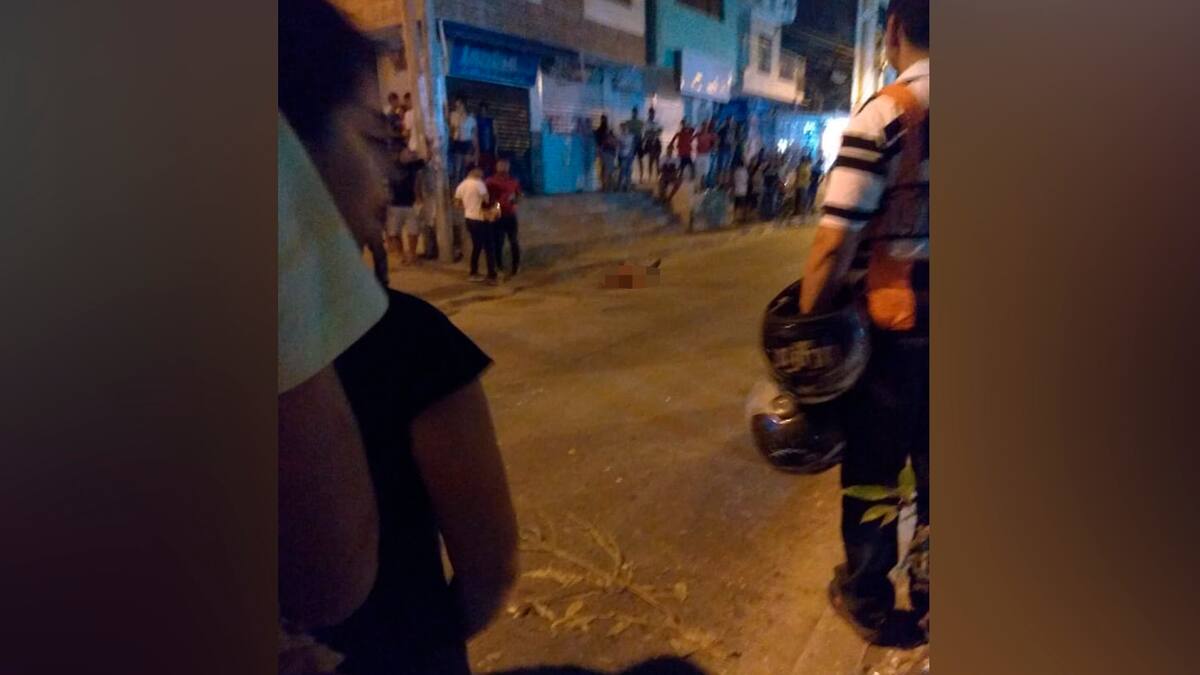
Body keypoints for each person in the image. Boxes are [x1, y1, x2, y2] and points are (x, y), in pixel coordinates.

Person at [281, 3, 519, 673]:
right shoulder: (409, 343)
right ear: (289, 156)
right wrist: (425, 641)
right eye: (374, 138)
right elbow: (490, 567)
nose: (386, 173)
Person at [796, 0, 929, 647]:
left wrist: (807, 328)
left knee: (875, 468)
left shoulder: (887, 115)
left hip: (896, 335)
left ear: (895, 29)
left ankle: (871, 598)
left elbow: (832, 245)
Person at [456, 165, 498, 284]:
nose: (482, 173)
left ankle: (473, 273)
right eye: (480, 171)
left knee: (477, 246)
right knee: (489, 247)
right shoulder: (479, 184)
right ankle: (491, 275)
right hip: (481, 219)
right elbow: (486, 200)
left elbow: (457, 204)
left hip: (469, 218)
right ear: (474, 171)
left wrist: (469, 207)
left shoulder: (461, 185)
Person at [385, 146, 427, 265]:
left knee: (414, 231)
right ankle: (401, 254)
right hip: (394, 204)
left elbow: (426, 158)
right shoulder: (392, 166)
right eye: (408, 153)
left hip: (410, 204)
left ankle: (412, 255)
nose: (410, 155)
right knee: (394, 232)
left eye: (411, 153)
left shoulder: (414, 165)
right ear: (400, 153)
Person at [486, 159, 522, 278]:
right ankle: (512, 266)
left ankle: (503, 265)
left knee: (501, 242)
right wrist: (513, 202)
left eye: (504, 167)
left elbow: (518, 196)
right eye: (502, 167)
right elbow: (518, 197)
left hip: (502, 214)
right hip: (505, 214)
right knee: (509, 241)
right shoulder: (512, 181)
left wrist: (513, 201)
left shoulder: (490, 181)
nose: (503, 169)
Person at [449, 98, 477, 184]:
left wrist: (475, 149)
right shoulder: (453, 116)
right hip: (457, 142)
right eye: (456, 106)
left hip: (467, 143)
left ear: (464, 106)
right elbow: (451, 130)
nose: (457, 108)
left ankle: (464, 185)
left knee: (465, 167)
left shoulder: (471, 118)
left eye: (459, 106)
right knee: (457, 167)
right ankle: (456, 185)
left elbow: (474, 134)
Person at [621, 107, 646, 182]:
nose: (634, 113)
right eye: (634, 112)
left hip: (638, 142)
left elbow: (644, 131)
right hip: (632, 142)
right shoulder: (629, 122)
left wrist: (643, 140)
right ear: (632, 112)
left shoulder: (640, 122)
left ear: (637, 113)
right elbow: (623, 126)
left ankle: (641, 177)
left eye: (635, 112)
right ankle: (629, 177)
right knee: (630, 160)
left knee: (640, 160)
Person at [595, 115, 617, 191]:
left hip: (606, 151)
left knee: (605, 169)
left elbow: (599, 142)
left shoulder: (601, 130)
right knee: (607, 169)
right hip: (607, 152)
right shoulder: (603, 130)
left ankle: (606, 185)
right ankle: (606, 186)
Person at [694, 120, 718, 188]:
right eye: (703, 125)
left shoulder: (710, 135)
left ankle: (703, 184)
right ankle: (697, 185)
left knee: (705, 171)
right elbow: (691, 138)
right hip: (699, 154)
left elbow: (716, 140)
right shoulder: (698, 134)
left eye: (705, 126)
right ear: (702, 126)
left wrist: (713, 147)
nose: (704, 127)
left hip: (706, 155)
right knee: (698, 171)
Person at [642, 107, 663, 182]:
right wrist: (644, 140)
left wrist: (655, 132)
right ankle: (650, 177)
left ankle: (658, 176)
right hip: (650, 141)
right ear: (649, 113)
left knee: (657, 160)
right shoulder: (647, 122)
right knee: (650, 160)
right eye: (651, 113)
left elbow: (660, 130)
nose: (652, 114)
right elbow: (646, 133)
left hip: (656, 141)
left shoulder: (657, 121)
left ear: (654, 113)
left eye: (653, 113)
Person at [476, 101, 497, 175]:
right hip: (480, 147)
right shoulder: (477, 120)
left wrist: (495, 148)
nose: (483, 112)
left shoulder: (491, 121)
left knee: (490, 166)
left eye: (484, 110)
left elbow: (495, 135)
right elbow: (475, 134)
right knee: (481, 166)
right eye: (481, 110)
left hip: (490, 147)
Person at [617, 124, 637, 192]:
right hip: (623, 156)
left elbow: (633, 146)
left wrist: (632, 155)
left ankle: (628, 186)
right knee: (623, 171)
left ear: (627, 128)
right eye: (622, 128)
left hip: (629, 156)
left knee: (629, 171)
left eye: (625, 127)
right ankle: (621, 186)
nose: (623, 129)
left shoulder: (631, 136)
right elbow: (619, 146)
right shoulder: (620, 137)